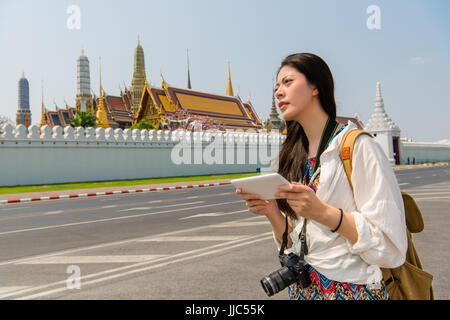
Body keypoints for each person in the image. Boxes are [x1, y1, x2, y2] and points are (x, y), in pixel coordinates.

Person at [236, 53, 407, 300]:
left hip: (351, 291)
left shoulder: (356, 147)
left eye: (288, 82)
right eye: (276, 87)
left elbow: (390, 248)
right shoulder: (292, 157)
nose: (278, 92)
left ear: (315, 86)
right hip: (305, 291)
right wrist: (271, 211)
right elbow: (297, 244)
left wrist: (323, 213)